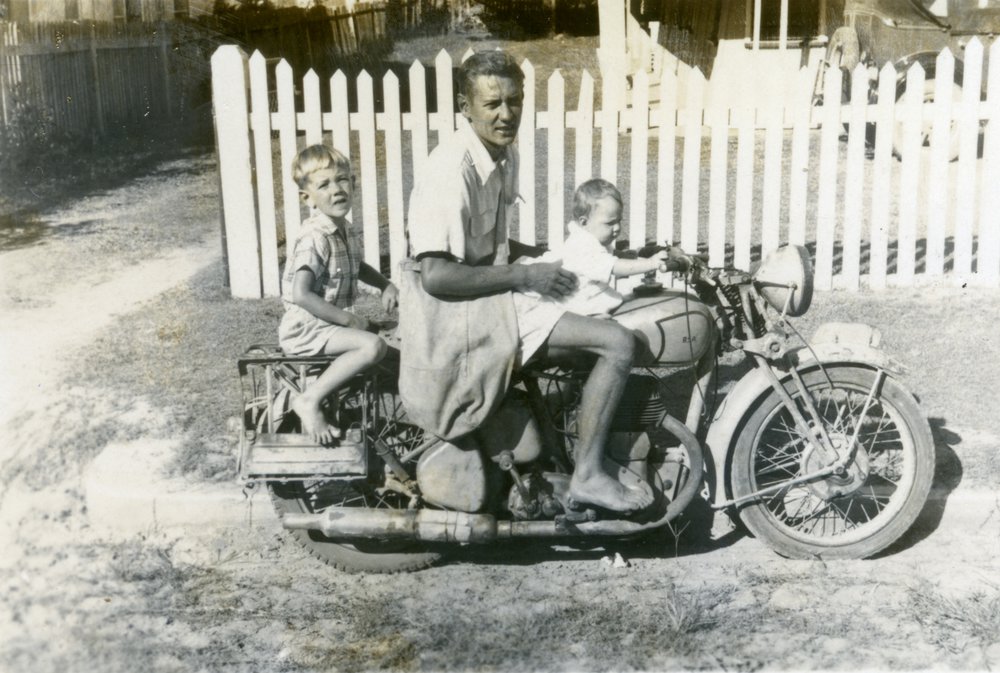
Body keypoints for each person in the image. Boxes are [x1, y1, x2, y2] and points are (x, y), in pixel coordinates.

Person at [402, 50, 653, 514]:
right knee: (617, 343)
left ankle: (562, 443)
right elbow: (436, 276)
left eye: (514, 101)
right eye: (492, 103)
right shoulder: (450, 170)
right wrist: (526, 273)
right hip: (456, 315)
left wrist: (538, 257)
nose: (505, 114)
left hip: (488, 296)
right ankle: (589, 474)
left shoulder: (499, 155)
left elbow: (484, 247)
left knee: (601, 305)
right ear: (465, 107)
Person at [279, 144, 399, 445]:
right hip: (309, 328)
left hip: (329, 326)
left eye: (343, 179)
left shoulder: (343, 229)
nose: (337, 189)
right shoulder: (314, 237)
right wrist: (348, 320)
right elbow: (302, 294)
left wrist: (385, 284)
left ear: (353, 183)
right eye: (324, 184)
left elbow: (357, 266)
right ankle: (310, 400)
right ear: (308, 198)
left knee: (397, 339)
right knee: (371, 346)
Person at [514, 178, 673, 318]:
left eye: (619, 220)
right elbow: (614, 266)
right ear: (584, 222)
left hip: (582, 295)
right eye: (610, 223)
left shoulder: (592, 239)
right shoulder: (582, 246)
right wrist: (651, 263)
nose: (617, 228)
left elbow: (614, 255)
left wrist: (636, 257)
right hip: (569, 304)